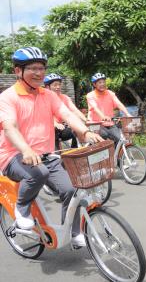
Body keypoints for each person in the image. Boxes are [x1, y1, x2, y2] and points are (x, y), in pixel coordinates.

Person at [0, 47, 103, 246]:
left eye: (42, 68)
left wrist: (85, 132)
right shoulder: (7, 98)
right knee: (38, 173)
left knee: (72, 189)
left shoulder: (48, 95)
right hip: (13, 155)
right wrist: (26, 149)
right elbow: (10, 127)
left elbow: (67, 114)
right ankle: (21, 209)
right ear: (17, 71)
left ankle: (73, 233)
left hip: (46, 155)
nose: (39, 73)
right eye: (32, 68)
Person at [44, 73, 88, 149]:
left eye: (59, 84)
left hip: (61, 128)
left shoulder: (65, 97)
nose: (58, 87)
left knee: (74, 130)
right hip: (48, 130)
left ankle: (76, 151)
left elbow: (74, 110)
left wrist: (86, 119)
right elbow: (44, 115)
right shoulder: (43, 99)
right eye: (55, 85)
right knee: (55, 153)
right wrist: (55, 124)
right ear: (48, 87)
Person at [86, 73, 131, 145]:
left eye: (103, 82)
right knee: (102, 138)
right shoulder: (90, 95)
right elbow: (95, 108)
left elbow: (118, 103)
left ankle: (116, 156)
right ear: (94, 85)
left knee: (120, 139)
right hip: (96, 125)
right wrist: (103, 116)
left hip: (109, 123)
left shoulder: (110, 93)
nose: (102, 84)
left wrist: (127, 113)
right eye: (99, 82)